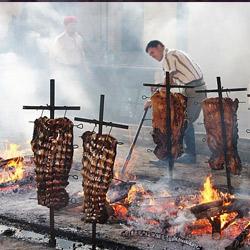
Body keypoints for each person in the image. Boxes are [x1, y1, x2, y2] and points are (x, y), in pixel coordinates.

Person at [144, 40, 206, 164]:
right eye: (150, 55)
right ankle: (174, 154)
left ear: (160, 46)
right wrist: (158, 86)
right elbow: (172, 80)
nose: (153, 56)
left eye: (153, 52)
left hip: (195, 89)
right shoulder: (172, 55)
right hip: (190, 88)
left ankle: (190, 155)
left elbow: (169, 81)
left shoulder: (169, 56)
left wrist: (153, 100)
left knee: (185, 121)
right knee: (178, 121)